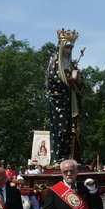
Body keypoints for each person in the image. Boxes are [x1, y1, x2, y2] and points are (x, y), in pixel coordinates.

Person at [46, 29, 85, 164]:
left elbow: (78, 83)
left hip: (70, 101)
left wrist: (78, 80)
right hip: (59, 101)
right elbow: (52, 79)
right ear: (61, 46)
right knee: (61, 130)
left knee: (71, 131)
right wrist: (68, 81)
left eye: (71, 47)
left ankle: (69, 157)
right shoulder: (54, 61)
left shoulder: (71, 63)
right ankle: (58, 158)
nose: (69, 50)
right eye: (67, 47)